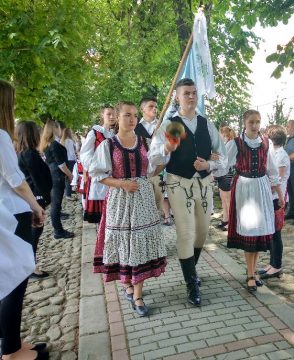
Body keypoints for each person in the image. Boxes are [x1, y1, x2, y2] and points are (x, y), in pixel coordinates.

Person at [149, 78, 226, 306]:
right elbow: (153, 158)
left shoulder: (206, 124)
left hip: (203, 184)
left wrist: (208, 165)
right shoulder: (171, 124)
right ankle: (191, 284)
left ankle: (191, 269)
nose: (191, 97)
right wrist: (166, 148)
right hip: (178, 183)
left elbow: (224, 157)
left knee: (202, 232)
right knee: (185, 233)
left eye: (194, 93)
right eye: (186, 93)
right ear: (177, 97)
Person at [90, 101, 167, 317]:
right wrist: (122, 183)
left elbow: (152, 170)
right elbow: (98, 174)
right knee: (124, 242)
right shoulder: (108, 145)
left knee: (140, 241)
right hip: (120, 199)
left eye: (134, 115)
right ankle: (127, 284)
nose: (132, 119)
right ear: (118, 117)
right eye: (127, 115)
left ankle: (138, 294)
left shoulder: (145, 142)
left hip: (142, 197)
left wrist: (166, 156)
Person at [0, 80, 48, 360]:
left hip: (8, 211)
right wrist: (36, 206)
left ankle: (13, 342)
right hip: (12, 213)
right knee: (16, 277)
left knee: (10, 276)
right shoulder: (2, 136)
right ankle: (11, 351)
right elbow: (15, 180)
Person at [226, 110, 284, 291]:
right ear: (244, 123)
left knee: (258, 233)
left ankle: (253, 272)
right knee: (250, 232)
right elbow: (223, 163)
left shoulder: (265, 143)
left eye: (257, 121)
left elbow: (272, 171)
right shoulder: (236, 143)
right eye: (251, 121)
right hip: (244, 188)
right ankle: (250, 274)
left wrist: (280, 194)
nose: (255, 125)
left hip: (261, 188)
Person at [16, 121, 53, 279]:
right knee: (33, 234)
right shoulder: (29, 154)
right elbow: (38, 179)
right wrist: (43, 199)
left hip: (32, 198)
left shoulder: (23, 153)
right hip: (34, 198)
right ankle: (30, 267)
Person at [258, 125, 289, 279]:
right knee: (271, 233)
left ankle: (277, 266)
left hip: (277, 198)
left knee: (276, 234)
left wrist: (268, 188)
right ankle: (272, 263)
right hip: (270, 197)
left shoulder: (282, 155)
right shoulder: (273, 152)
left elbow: (280, 177)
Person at [79, 105, 116, 223]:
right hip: (98, 176)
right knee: (101, 215)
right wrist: (94, 167)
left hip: (112, 176)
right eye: (108, 114)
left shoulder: (113, 134)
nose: (112, 117)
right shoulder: (95, 133)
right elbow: (85, 153)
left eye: (113, 114)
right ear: (102, 115)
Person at [39, 120, 74, 239]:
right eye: (59, 128)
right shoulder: (53, 144)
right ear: (55, 129)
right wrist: (70, 175)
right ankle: (58, 231)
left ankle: (58, 229)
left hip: (53, 175)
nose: (61, 130)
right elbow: (61, 164)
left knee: (56, 203)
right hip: (57, 176)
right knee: (56, 204)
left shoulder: (48, 143)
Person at [214, 126, 236, 231]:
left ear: (224, 134)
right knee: (223, 197)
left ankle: (231, 222)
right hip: (222, 173)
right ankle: (225, 218)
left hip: (228, 173)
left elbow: (226, 159)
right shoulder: (225, 143)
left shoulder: (231, 143)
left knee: (228, 199)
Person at [60, 128, 77, 200]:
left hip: (65, 160)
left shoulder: (62, 141)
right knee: (70, 177)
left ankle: (67, 191)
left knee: (66, 176)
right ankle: (68, 194)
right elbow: (72, 152)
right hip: (71, 160)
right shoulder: (70, 141)